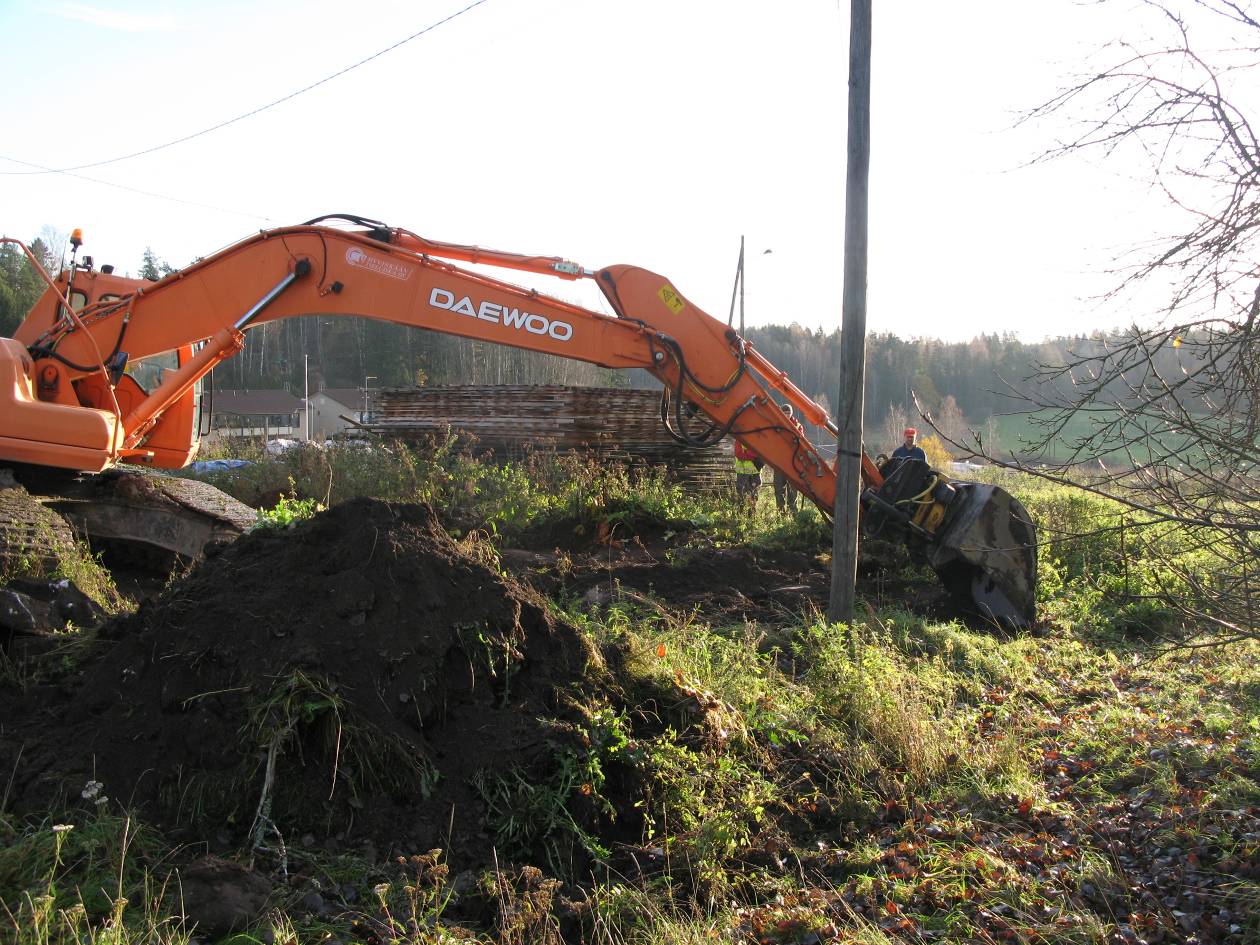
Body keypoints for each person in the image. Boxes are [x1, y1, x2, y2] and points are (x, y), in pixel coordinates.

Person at [773, 403, 804, 514]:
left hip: (793, 463)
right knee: (778, 489)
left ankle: (793, 512)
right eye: (784, 412)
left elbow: (802, 443)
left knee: (792, 490)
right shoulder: (776, 424)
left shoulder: (798, 426)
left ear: (791, 413)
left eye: (788, 412)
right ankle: (780, 513)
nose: (786, 414)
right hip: (780, 463)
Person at [733, 439, 763, 507]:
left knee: (754, 496)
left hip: (755, 472)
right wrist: (753, 456)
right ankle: (741, 514)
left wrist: (746, 452)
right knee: (741, 495)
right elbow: (739, 454)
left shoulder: (757, 439)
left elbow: (759, 453)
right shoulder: (739, 439)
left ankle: (752, 515)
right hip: (743, 473)